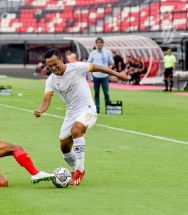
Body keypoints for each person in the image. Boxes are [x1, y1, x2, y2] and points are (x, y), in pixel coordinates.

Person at [34, 49, 127, 186]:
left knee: (76, 130)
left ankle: (80, 169)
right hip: (71, 113)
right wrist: (40, 110)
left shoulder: (76, 67)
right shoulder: (51, 80)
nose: (53, 68)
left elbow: (97, 67)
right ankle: (74, 169)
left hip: (87, 109)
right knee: (64, 146)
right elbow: (46, 99)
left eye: (55, 64)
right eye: (50, 66)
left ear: (61, 59)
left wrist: (117, 74)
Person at [87, 37, 115, 113]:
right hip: (96, 76)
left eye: (100, 43)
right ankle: (97, 108)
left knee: (106, 93)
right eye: (97, 43)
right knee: (96, 93)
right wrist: (92, 71)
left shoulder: (107, 52)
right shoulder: (93, 53)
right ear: (96, 44)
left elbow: (112, 63)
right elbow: (89, 63)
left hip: (105, 76)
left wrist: (108, 68)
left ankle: (109, 108)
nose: (99, 44)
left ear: (103, 44)